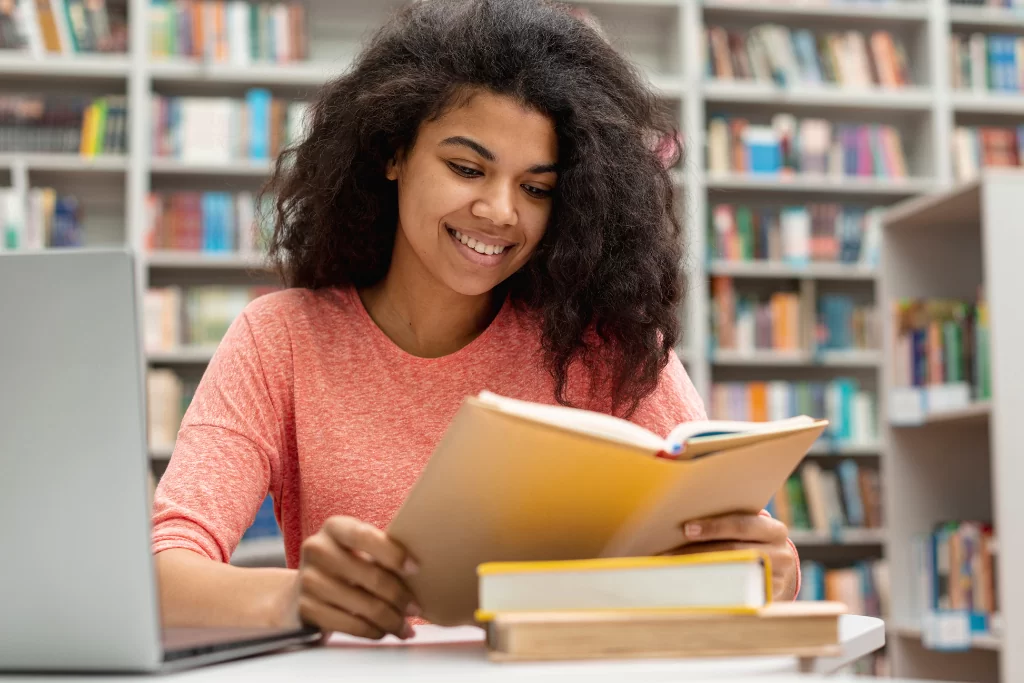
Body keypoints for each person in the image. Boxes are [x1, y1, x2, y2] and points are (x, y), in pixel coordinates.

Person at [151, 0, 800, 642]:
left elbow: (750, 549)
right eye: (467, 168)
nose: (500, 211)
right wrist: (295, 594)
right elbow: (159, 575)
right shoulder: (282, 338)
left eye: (536, 187)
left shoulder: (604, 342)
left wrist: (768, 569)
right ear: (393, 153)